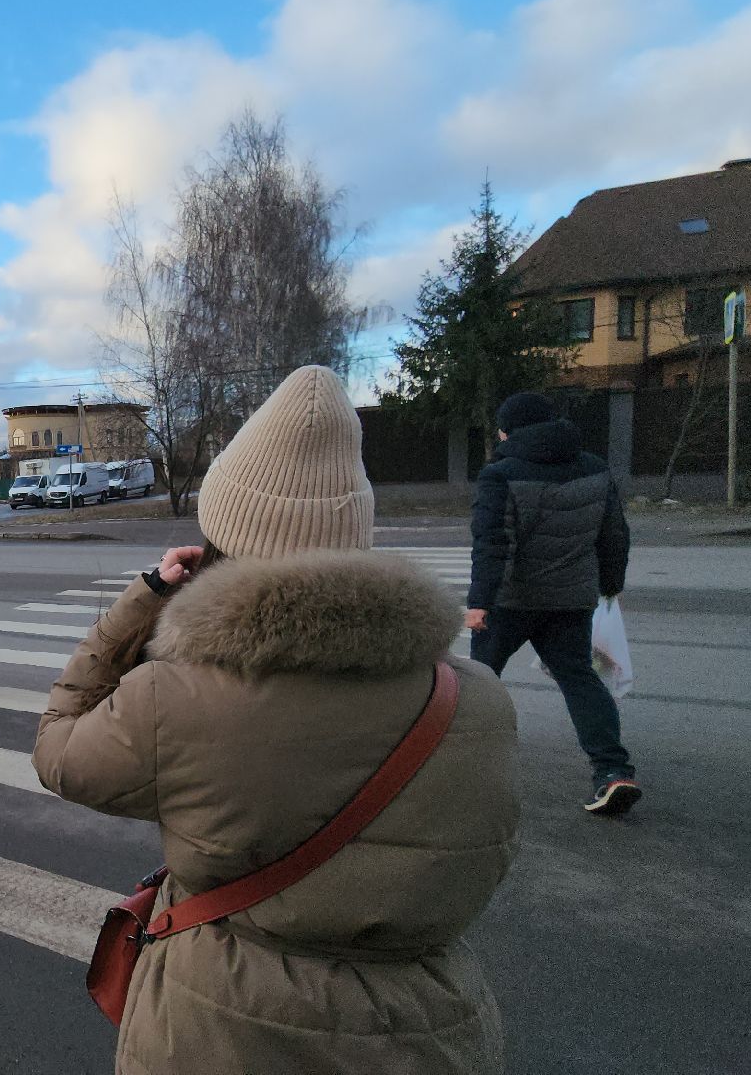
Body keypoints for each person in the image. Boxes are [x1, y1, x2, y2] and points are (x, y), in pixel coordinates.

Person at [34, 366, 519, 1075]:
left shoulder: (179, 696)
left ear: (223, 534)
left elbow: (59, 752)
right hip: (428, 1037)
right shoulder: (474, 699)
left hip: (220, 1033)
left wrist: (144, 601)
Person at [466, 391, 638, 815]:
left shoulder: (499, 474)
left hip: (510, 602)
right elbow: (614, 533)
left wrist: (479, 603)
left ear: (508, 430)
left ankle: (459, 767)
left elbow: (492, 544)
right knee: (580, 679)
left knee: (477, 683)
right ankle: (613, 772)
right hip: (571, 601)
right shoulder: (595, 469)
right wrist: (610, 586)